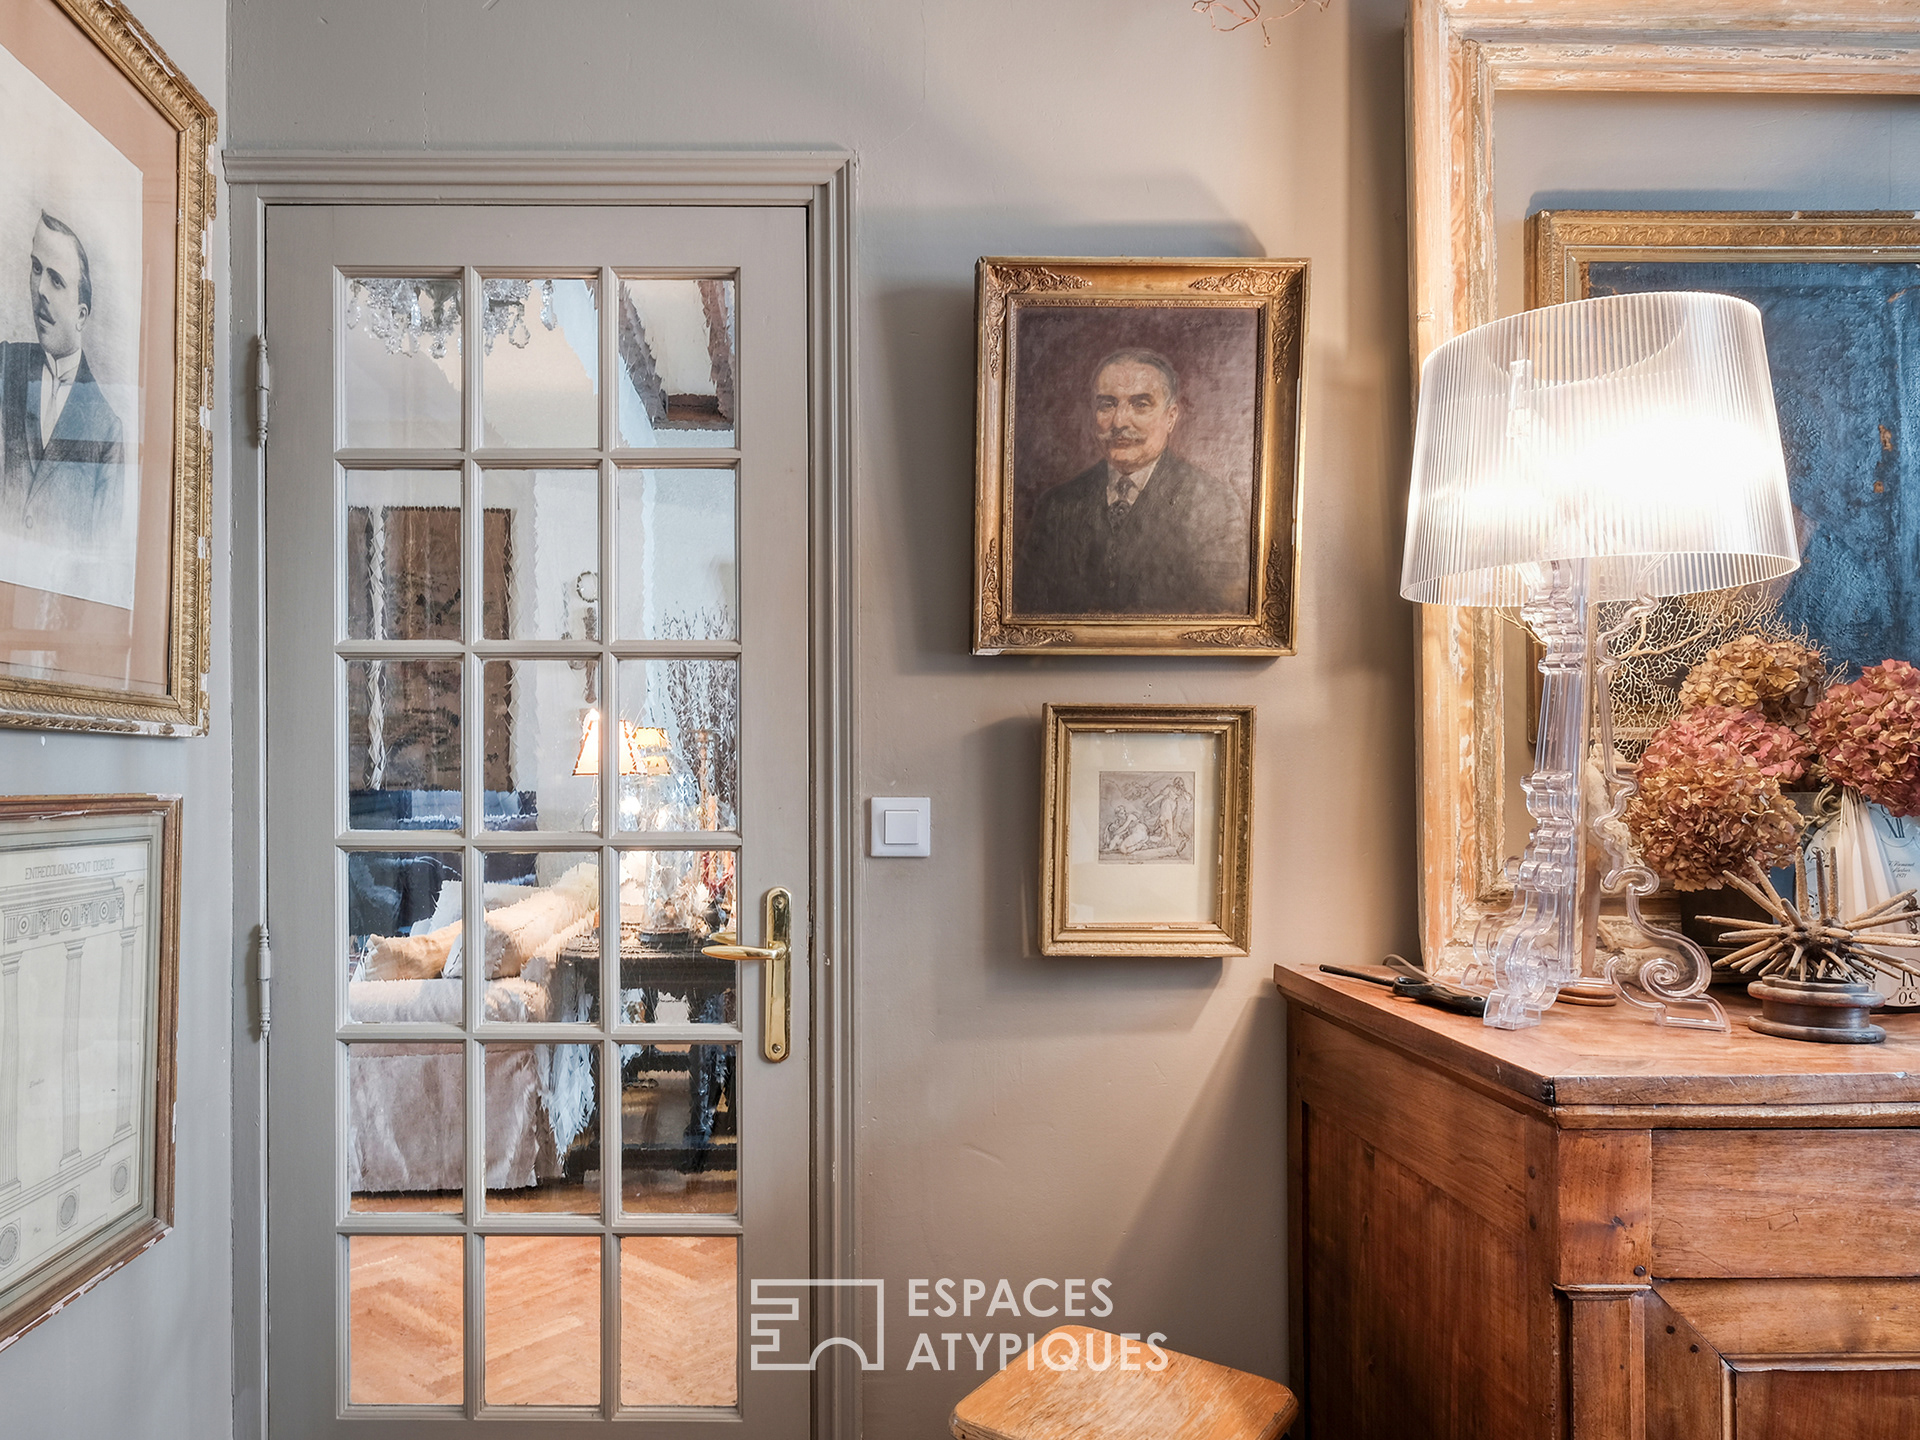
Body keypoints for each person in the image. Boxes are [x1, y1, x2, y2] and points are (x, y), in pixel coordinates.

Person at [1014, 347, 1250, 616]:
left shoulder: (1215, 506)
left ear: (1170, 417)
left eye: (1140, 404)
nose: (1119, 421)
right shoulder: (1056, 506)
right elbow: (1028, 612)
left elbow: (1222, 616)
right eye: (1107, 404)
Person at [0, 212, 128, 550]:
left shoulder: (107, 432)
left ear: (81, 315)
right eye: (36, 268)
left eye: (56, 280)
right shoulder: (5, 365)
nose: (39, 289)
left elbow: (104, 557)